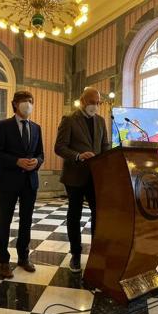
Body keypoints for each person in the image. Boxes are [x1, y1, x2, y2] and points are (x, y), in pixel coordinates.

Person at [0, 90, 44, 279]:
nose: (27, 104)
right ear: (15, 104)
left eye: (30, 101)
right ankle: (3, 261)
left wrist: (37, 162)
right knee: (5, 221)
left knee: (26, 222)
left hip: (30, 181)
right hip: (8, 181)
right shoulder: (3, 125)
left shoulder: (36, 128)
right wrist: (16, 161)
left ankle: (23, 257)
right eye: (23, 101)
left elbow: (40, 154)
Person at [54, 87, 110, 273]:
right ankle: (76, 255)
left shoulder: (101, 121)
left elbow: (105, 147)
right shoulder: (69, 120)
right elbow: (59, 147)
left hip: (96, 177)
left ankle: (97, 252)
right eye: (91, 102)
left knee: (99, 215)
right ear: (82, 101)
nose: (95, 105)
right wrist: (78, 156)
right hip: (75, 176)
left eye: (97, 102)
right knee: (74, 215)